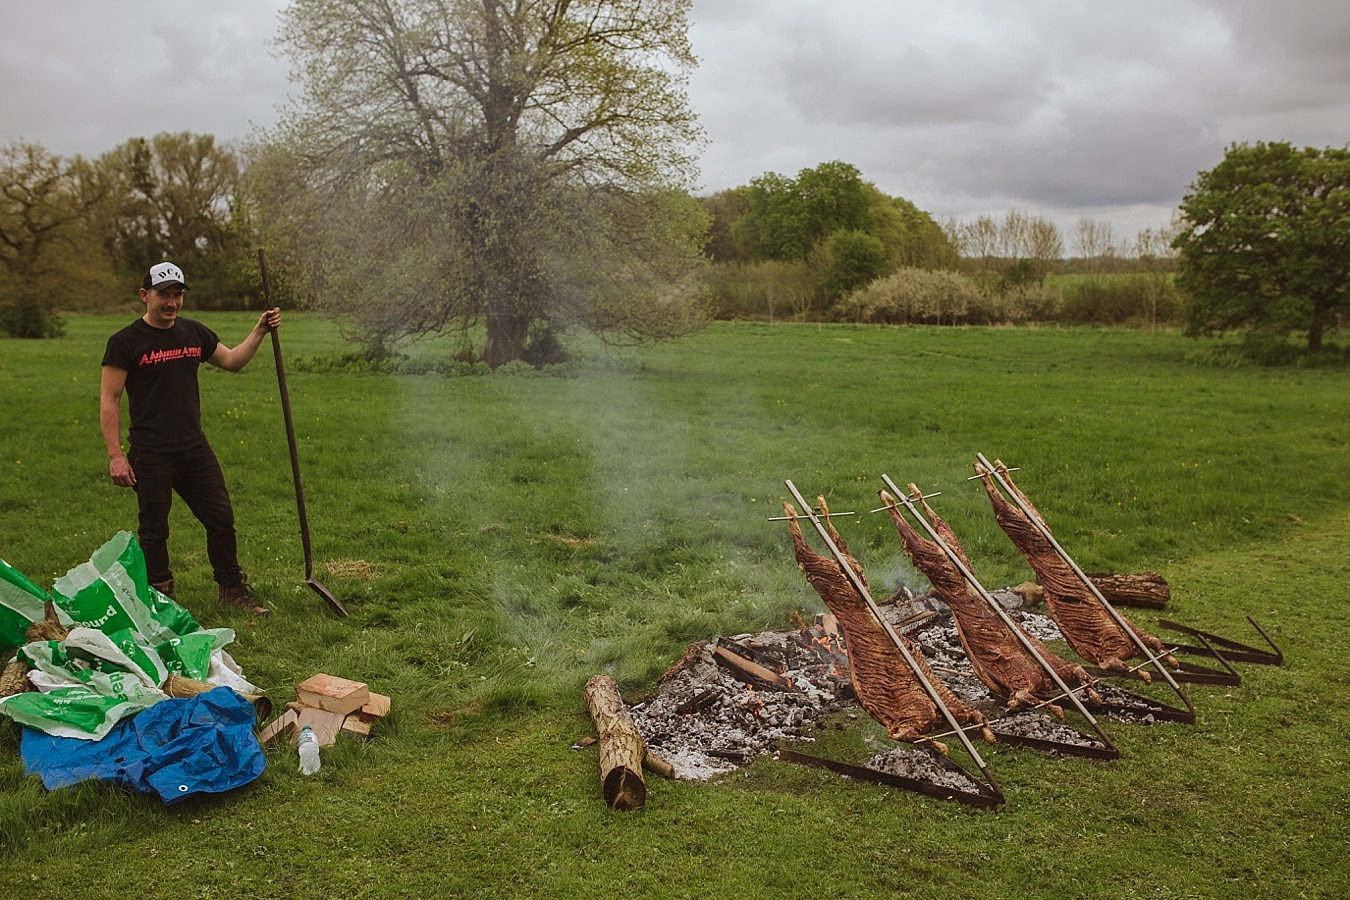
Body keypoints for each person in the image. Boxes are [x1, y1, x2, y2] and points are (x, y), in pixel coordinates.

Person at [100, 262, 280, 616]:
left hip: (193, 448)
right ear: (145, 295)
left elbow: (232, 361)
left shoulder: (193, 333)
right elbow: (110, 400)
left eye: (177, 294)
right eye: (163, 294)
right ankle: (160, 600)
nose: (171, 302)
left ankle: (232, 591)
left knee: (220, 518)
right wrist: (116, 455)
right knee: (155, 530)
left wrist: (259, 330)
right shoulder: (125, 342)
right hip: (151, 452)